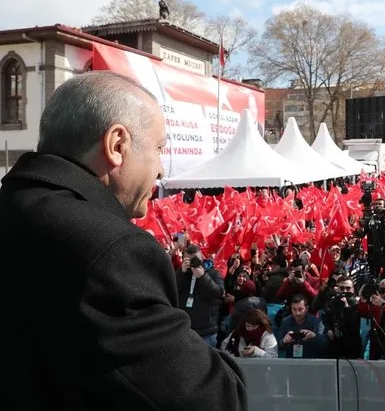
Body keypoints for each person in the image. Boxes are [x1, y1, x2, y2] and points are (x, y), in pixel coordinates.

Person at [0, 72, 247, 410]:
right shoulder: (112, 250)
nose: (161, 170)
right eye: (159, 148)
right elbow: (214, 398)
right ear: (117, 145)